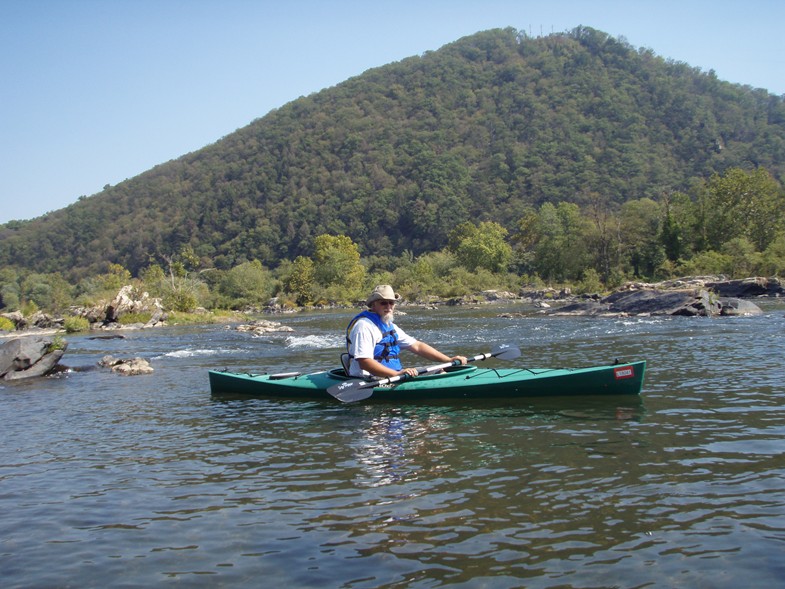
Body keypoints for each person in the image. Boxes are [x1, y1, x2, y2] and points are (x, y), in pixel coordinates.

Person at [345, 285, 467, 379]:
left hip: (393, 375)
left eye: (391, 302)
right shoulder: (364, 326)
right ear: (373, 305)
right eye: (383, 303)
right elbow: (364, 362)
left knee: (439, 371)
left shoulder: (389, 325)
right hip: (369, 379)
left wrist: (448, 360)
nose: (388, 306)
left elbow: (417, 346)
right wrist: (396, 374)